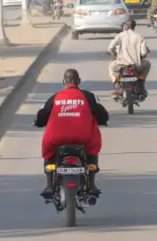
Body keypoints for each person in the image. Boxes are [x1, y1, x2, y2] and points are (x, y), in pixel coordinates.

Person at [34, 68, 108, 199]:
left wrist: (38, 123)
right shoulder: (88, 96)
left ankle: (49, 186)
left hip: (57, 138)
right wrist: (102, 120)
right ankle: (91, 184)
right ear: (79, 81)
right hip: (83, 138)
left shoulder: (55, 97)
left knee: (49, 150)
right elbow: (100, 113)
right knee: (92, 149)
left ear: (64, 82)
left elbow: (42, 115)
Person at [107, 18, 151, 95]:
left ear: (126, 27)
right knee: (147, 64)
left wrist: (115, 55)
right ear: (134, 27)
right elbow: (144, 53)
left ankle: (116, 83)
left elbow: (110, 48)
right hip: (136, 65)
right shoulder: (139, 36)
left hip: (121, 64)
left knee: (111, 67)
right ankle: (141, 81)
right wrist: (140, 57)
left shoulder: (120, 35)